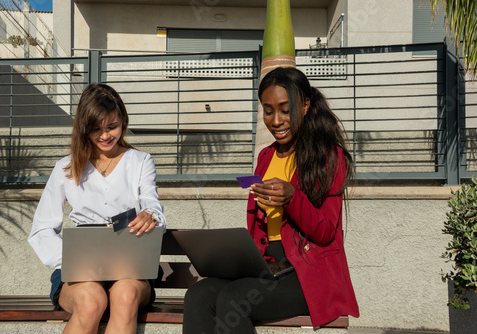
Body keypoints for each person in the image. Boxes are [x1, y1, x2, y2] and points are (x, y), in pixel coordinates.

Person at [183, 66, 359, 333]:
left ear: (306, 105)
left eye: (285, 110)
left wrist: (292, 197)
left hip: (306, 275)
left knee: (234, 299)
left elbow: (325, 232)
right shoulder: (266, 156)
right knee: (198, 294)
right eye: (268, 110)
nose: (276, 120)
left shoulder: (328, 156)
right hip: (268, 268)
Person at [28, 83, 166, 334]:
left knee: (125, 296)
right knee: (92, 301)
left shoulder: (140, 161)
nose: (105, 136)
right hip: (79, 273)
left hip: (130, 268)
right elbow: (42, 229)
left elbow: (151, 204)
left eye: (112, 126)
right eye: (95, 129)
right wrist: (73, 260)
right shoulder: (65, 168)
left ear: (123, 121)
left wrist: (151, 216)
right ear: (84, 129)